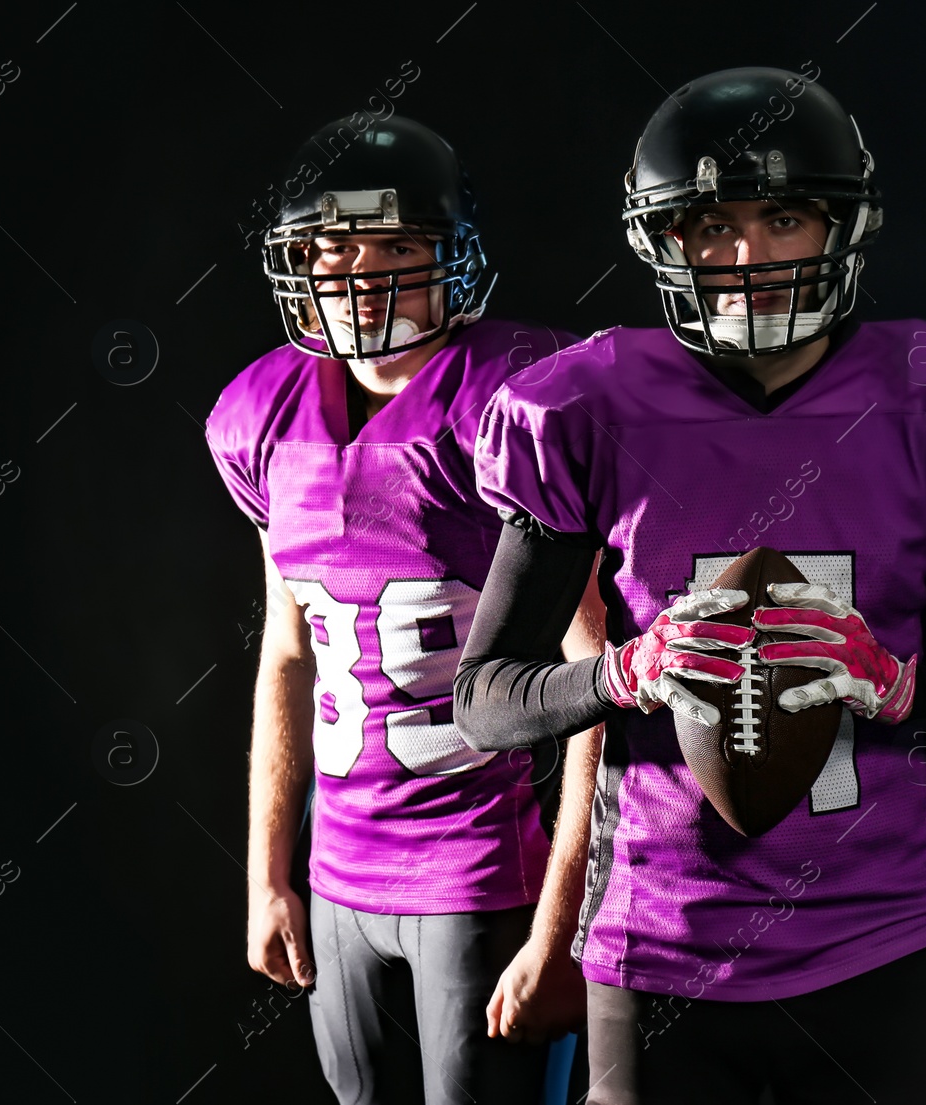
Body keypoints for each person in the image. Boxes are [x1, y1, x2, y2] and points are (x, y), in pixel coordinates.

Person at [451, 67, 926, 1104]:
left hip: (875, 930)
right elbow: (485, 700)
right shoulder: (581, 404)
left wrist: (902, 685)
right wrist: (627, 670)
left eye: (786, 217)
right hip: (657, 939)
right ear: (663, 239)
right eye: (712, 225)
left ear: (844, 227)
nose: (748, 258)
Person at [205, 114, 585, 1104]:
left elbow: (603, 680)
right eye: (335, 248)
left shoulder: (511, 404)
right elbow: (287, 654)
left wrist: (563, 923)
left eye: (399, 247)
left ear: (454, 260)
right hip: (338, 879)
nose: (361, 274)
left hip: (481, 875)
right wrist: (267, 874)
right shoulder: (264, 415)